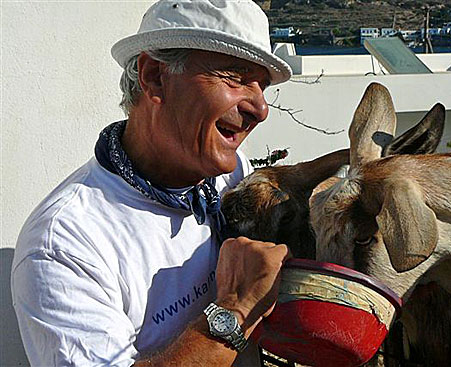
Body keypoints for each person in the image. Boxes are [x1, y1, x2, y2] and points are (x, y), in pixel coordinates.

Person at [11, 0, 293, 365]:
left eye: (263, 86)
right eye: (235, 76)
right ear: (154, 76)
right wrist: (236, 308)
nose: (261, 108)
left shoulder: (228, 173)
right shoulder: (65, 242)